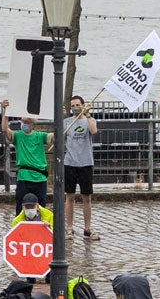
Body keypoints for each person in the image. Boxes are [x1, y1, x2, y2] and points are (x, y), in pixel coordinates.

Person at [0, 98, 53, 212]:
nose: (24, 124)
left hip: (39, 177)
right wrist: (5, 111)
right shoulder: (18, 136)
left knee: (41, 208)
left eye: (27, 122)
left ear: (33, 125)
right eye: (22, 121)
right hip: (24, 177)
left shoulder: (40, 136)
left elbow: (54, 136)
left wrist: (61, 117)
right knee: (20, 206)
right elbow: (5, 129)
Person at [62, 96, 98, 241]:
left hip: (86, 163)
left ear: (83, 105)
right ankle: (69, 228)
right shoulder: (67, 122)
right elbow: (59, 137)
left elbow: (94, 131)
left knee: (86, 197)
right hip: (70, 163)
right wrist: (61, 117)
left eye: (78, 105)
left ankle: (87, 228)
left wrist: (87, 114)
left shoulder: (90, 120)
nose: (75, 107)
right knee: (69, 196)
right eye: (73, 105)